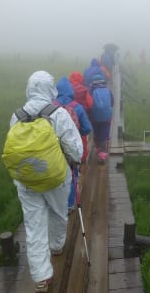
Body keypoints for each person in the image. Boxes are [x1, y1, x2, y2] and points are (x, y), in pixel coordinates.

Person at [9, 71, 83, 292]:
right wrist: (75, 160)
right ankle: (57, 245)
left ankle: (41, 277)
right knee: (59, 213)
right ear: (51, 89)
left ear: (29, 89)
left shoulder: (17, 115)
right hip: (56, 178)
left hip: (27, 179)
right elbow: (76, 150)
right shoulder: (58, 113)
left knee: (33, 225)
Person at [56, 76, 92, 212]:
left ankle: (57, 204)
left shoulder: (50, 107)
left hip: (54, 148)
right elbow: (87, 128)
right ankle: (70, 204)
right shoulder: (78, 107)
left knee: (57, 174)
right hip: (71, 148)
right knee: (72, 175)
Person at [69, 71, 93, 164]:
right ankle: (82, 158)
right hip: (81, 115)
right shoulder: (83, 89)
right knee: (82, 137)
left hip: (68, 116)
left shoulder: (67, 89)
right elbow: (90, 104)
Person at [89, 74, 114, 163]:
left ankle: (98, 147)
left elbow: (89, 103)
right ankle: (102, 154)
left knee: (96, 132)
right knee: (104, 133)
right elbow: (112, 102)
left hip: (95, 117)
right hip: (107, 116)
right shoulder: (108, 90)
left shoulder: (91, 91)